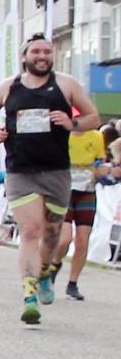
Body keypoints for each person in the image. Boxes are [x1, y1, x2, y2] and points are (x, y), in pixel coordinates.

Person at [0, 34, 102, 325]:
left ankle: (46, 271)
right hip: (21, 170)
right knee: (31, 230)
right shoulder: (10, 86)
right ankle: (29, 295)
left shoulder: (66, 84)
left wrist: (72, 123)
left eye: (47, 51)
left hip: (57, 171)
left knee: (52, 235)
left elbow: (93, 118)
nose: (43, 55)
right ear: (25, 56)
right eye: (36, 51)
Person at [63, 125, 106, 300]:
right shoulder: (62, 135)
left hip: (87, 191)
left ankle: (72, 283)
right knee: (64, 239)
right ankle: (54, 265)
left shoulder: (96, 137)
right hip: (64, 191)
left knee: (82, 239)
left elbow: (99, 163)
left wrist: (102, 170)